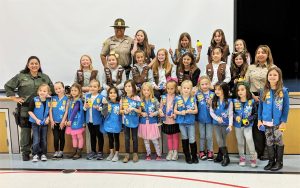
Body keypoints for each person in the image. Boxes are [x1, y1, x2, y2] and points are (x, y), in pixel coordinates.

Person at [4, 56, 54, 161]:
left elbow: (52, 90)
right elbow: (7, 86)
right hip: (25, 109)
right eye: (32, 63)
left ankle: (38, 152)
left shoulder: (44, 77)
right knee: (25, 132)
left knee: (40, 132)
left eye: (36, 63)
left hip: (42, 110)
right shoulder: (21, 76)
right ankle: (25, 153)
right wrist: (14, 98)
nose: (34, 65)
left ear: (39, 65)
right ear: (28, 65)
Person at [245, 45, 276, 160]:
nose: (260, 54)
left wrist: (266, 96)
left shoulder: (272, 67)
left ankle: (269, 152)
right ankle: (259, 151)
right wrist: (252, 96)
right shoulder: (251, 67)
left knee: (269, 125)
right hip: (254, 98)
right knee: (257, 127)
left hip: (268, 98)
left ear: (268, 55)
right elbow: (245, 83)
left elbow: (277, 83)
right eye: (258, 52)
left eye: (263, 52)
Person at [258, 67, 289, 171]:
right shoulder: (263, 90)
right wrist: (259, 120)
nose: (272, 77)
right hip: (266, 122)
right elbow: (260, 107)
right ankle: (271, 161)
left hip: (278, 123)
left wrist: (283, 121)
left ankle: (279, 162)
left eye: (275, 75)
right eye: (270, 75)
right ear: (267, 77)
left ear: (279, 77)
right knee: (269, 141)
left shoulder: (283, 91)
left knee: (278, 141)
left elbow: (286, 108)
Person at [233, 81, 257, 167]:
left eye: (242, 89)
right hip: (237, 126)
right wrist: (236, 117)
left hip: (248, 125)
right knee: (240, 142)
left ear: (247, 90)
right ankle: (242, 158)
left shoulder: (252, 101)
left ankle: (253, 157)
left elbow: (255, 114)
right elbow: (232, 113)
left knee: (249, 140)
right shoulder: (234, 101)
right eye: (238, 90)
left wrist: (248, 120)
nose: (240, 92)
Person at [174, 80, 198, 164]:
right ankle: (187, 156)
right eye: (184, 88)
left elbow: (196, 111)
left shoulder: (193, 98)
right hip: (181, 122)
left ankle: (194, 156)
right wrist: (181, 112)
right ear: (181, 89)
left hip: (190, 122)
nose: (186, 89)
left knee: (192, 139)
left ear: (191, 89)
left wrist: (191, 111)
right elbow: (175, 111)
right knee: (184, 138)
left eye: (188, 88)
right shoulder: (178, 98)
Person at [210, 82, 233, 166]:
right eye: (215, 89)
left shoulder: (229, 101)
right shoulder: (214, 100)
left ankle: (220, 155)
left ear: (224, 90)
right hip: (216, 123)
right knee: (219, 140)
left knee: (223, 140)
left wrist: (230, 125)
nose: (216, 91)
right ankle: (226, 157)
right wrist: (217, 118)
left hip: (225, 124)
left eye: (219, 89)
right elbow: (211, 112)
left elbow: (230, 114)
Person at [28, 84, 52, 162]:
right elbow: (30, 111)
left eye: (44, 91)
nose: (42, 92)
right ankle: (35, 154)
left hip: (44, 123)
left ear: (48, 92)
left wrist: (48, 119)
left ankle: (43, 154)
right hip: (35, 123)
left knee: (43, 139)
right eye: (40, 90)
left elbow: (50, 112)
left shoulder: (49, 100)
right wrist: (36, 119)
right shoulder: (34, 99)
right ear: (38, 91)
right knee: (36, 139)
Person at [138, 82, 162, 160]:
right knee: (146, 140)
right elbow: (138, 112)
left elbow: (159, 110)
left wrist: (154, 113)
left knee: (154, 140)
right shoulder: (141, 101)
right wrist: (142, 113)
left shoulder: (154, 100)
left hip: (152, 123)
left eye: (148, 90)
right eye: (144, 90)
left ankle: (158, 154)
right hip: (144, 123)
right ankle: (148, 154)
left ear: (151, 91)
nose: (146, 92)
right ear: (142, 91)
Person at [120, 80, 142, 163]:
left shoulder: (137, 98)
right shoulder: (123, 98)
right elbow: (120, 111)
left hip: (134, 121)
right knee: (126, 138)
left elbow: (140, 111)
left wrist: (133, 109)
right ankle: (127, 154)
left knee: (135, 138)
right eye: (126, 86)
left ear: (133, 87)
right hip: (126, 121)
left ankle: (135, 154)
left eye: (129, 86)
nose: (127, 88)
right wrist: (124, 111)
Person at [83, 79, 105, 160]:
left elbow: (104, 109)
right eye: (91, 86)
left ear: (98, 88)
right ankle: (93, 151)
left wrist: (99, 108)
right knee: (92, 136)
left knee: (99, 136)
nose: (92, 88)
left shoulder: (101, 97)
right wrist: (85, 107)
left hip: (98, 121)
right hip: (89, 120)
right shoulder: (87, 96)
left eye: (95, 87)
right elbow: (84, 109)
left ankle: (100, 152)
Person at [159, 80, 180, 161]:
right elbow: (160, 107)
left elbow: (179, 108)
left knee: (175, 136)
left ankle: (175, 152)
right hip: (166, 120)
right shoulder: (163, 97)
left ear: (175, 89)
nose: (170, 90)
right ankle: (170, 151)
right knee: (169, 137)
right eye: (168, 88)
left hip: (174, 120)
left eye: (172, 88)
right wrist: (160, 112)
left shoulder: (178, 98)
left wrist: (175, 114)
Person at [196, 76, 215, 160]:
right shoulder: (197, 94)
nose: (204, 86)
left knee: (209, 136)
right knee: (202, 136)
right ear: (199, 85)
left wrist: (212, 103)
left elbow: (216, 107)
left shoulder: (213, 94)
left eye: (206, 84)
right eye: (202, 84)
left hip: (210, 119)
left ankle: (210, 151)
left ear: (209, 84)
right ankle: (201, 151)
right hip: (201, 119)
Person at [49, 82, 68, 159]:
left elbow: (66, 111)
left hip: (62, 122)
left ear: (63, 88)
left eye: (59, 88)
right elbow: (50, 110)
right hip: (54, 122)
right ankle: (56, 151)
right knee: (56, 138)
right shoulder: (53, 98)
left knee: (62, 137)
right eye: (56, 89)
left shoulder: (67, 99)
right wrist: (51, 120)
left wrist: (63, 121)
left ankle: (61, 152)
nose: (58, 90)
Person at [65, 83, 85, 160]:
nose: (73, 92)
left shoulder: (78, 100)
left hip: (77, 121)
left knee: (79, 136)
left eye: (75, 90)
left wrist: (70, 120)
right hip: (71, 121)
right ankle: (74, 150)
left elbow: (74, 111)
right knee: (73, 137)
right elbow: (68, 111)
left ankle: (79, 152)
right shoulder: (70, 100)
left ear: (79, 92)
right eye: (72, 90)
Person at [103, 87, 122, 162]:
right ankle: (111, 153)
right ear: (108, 95)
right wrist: (106, 105)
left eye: (114, 92)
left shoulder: (120, 103)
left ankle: (117, 154)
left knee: (116, 139)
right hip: (108, 123)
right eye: (110, 93)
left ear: (117, 94)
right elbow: (103, 113)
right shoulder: (106, 103)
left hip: (117, 124)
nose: (112, 94)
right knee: (110, 139)